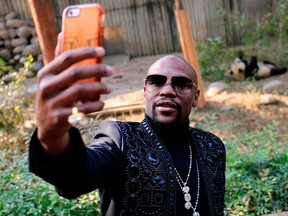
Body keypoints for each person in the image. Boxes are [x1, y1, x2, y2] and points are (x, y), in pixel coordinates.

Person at [29, 45, 226, 215]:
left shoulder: (212, 146)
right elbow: (76, 178)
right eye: (156, 82)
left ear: (195, 97)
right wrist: (52, 136)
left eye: (182, 84)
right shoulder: (119, 138)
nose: (166, 90)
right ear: (144, 92)